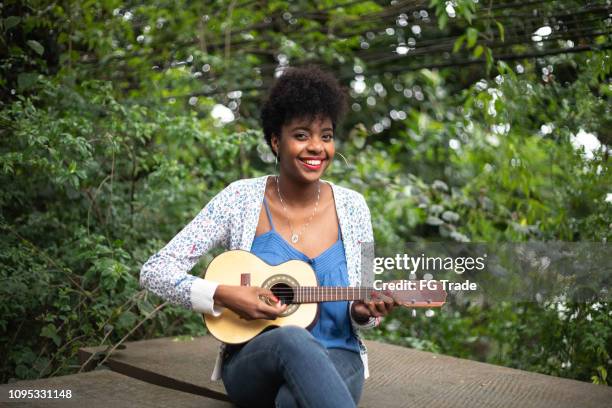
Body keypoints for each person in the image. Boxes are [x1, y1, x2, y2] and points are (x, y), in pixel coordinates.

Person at [140, 65, 396, 408]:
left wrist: (365, 312)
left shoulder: (355, 208)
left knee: (292, 403)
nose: (317, 147)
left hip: (339, 355)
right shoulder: (239, 199)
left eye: (326, 135)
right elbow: (155, 270)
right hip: (254, 360)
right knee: (292, 340)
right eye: (302, 135)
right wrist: (226, 295)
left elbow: (363, 304)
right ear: (276, 140)